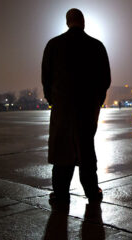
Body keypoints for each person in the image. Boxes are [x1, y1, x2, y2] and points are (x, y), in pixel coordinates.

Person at [41, 8, 111, 205]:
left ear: (67, 22)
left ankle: (61, 194)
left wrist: (53, 101)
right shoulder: (96, 46)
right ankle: (92, 192)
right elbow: (105, 80)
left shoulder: (53, 45)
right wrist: (96, 102)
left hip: (62, 108)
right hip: (87, 108)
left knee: (62, 150)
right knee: (86, 149)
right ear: (83, 22)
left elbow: (46, 79)